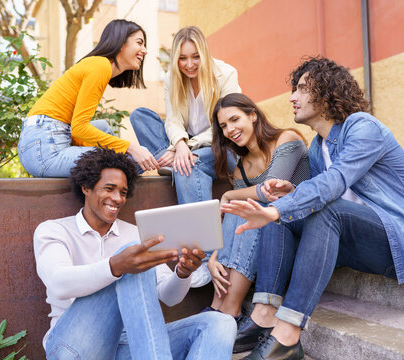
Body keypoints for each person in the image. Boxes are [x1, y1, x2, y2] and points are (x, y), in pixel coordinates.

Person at [221, 56, 404, 360]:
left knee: (306, 210)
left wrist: (281, 208)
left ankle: (287, 338)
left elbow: (336, 183)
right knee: (285, 208)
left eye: (301, 89)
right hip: (362, 240)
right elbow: (324, 192)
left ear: (326, 91)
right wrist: (293, 193)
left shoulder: (362, 127)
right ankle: (263, 315)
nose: (292, 98)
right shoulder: (317, 146)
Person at [34, 148, 237, 359]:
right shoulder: (53, 230)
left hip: (129, 346)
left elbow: (169, 297)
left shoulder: (134, 233)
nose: (117, 198)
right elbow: (58, 282)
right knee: (130, 259)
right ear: (86, 187)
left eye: (122, 192)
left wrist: (182, 273)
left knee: (220, 323)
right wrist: (116, 266)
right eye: (109, 189)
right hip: (74, 347)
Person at [205, 93, 309, 352]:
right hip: (269, 236)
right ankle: (218, 307)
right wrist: (213, 256)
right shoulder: (242, 166)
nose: (230, 130)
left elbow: (271, 190)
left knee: (253, 206)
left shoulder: (288, 139)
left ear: (253, 115)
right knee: (238, 208)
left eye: (234, 119)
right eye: (224, 126)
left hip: (300, 229)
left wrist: (228, 194)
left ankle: (230, 308)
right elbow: (234, 210)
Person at [18, 19, 158, 177]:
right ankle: (161, 160)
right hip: (45, 151)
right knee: (124, 162)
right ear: (120, 43)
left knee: (104, 129)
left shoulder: (98, 65)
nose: (145, 51)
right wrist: (131, 147)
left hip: (41, 141)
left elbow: (77, 132)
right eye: (139, 43)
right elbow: (79, 128)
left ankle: (153, 161)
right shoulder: (100, 66)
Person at [130, 26, 241, 204]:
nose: (189, 65)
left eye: (196, 57)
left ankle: (169, 162)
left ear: (204, 53)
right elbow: (173, 120)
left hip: (220, 145)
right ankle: (170, 161)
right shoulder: (171, 78)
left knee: (188, 165)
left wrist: (185, 148)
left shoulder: (226, 74)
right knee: (139, 116)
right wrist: (179, 145)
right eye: (182, 58)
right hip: (185, 141)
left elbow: (226, 126)